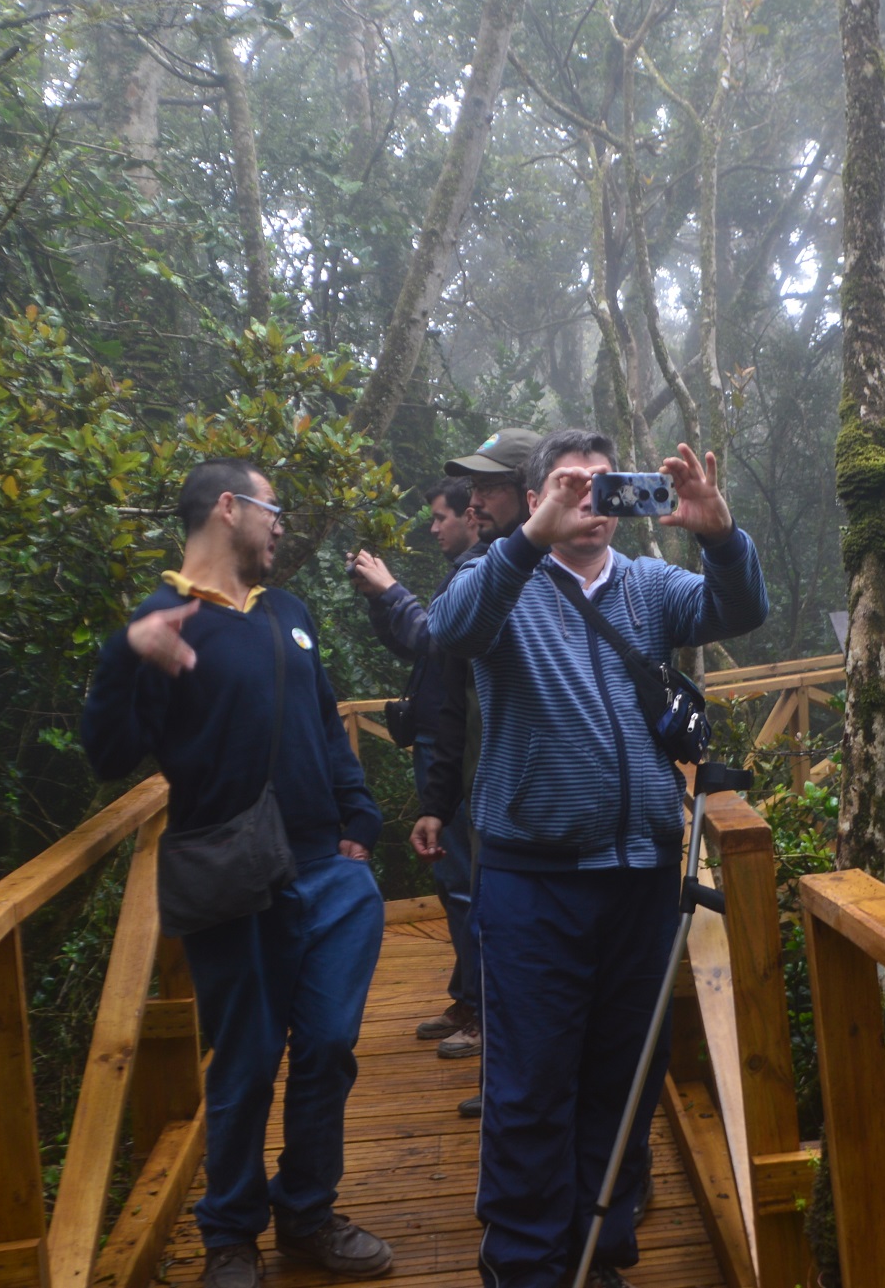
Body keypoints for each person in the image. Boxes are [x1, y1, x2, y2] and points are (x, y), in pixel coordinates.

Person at [424, 430, 767, 1288]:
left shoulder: (647, 587)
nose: (593, 500)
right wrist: (529, 537)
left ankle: (598, 1254)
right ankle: (526, 1266)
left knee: (623, 1079)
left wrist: (719, 532)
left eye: (606, 485)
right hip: (533, 882)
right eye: (571, 486)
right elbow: (451, 631)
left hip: (641, 878)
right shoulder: (496, 579)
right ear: (535, 495)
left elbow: (740, 609)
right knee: (532, 1084)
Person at [82, 458, 394, 1288]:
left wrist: (359, 817)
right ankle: (230, 1236)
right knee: (248, 1056)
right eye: (272, 508)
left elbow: (325, 725)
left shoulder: (288, 612)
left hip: (327, 869)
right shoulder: (163, 619)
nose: (281, 523)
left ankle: (308, 1212)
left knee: (328, 1045)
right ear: (229, 508)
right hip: (232, 873)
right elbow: (109, 756)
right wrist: (126, 656)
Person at [410, 428, 540, 1083]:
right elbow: (454, 698)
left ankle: (523, 1084)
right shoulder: (480, 578)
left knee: (539, 960)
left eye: (488, 486)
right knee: (498, 938)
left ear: (529, 491)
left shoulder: (575, 573)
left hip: (549, 819)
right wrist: (438, 801)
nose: (474, 502)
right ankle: (505, 1081)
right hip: (488, 807)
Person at [343, 476, 480, 1058]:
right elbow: (422, 648)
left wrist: (392, 592)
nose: (432, 527)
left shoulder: (487, 572)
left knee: (473, 883)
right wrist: (382, 598)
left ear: (472, 516)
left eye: (440, 516)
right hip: (436, 746)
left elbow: (432, 637)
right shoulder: (463, 572)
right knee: (453, 882)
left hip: (463, 755)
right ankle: (471, 996)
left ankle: (488, 1011)